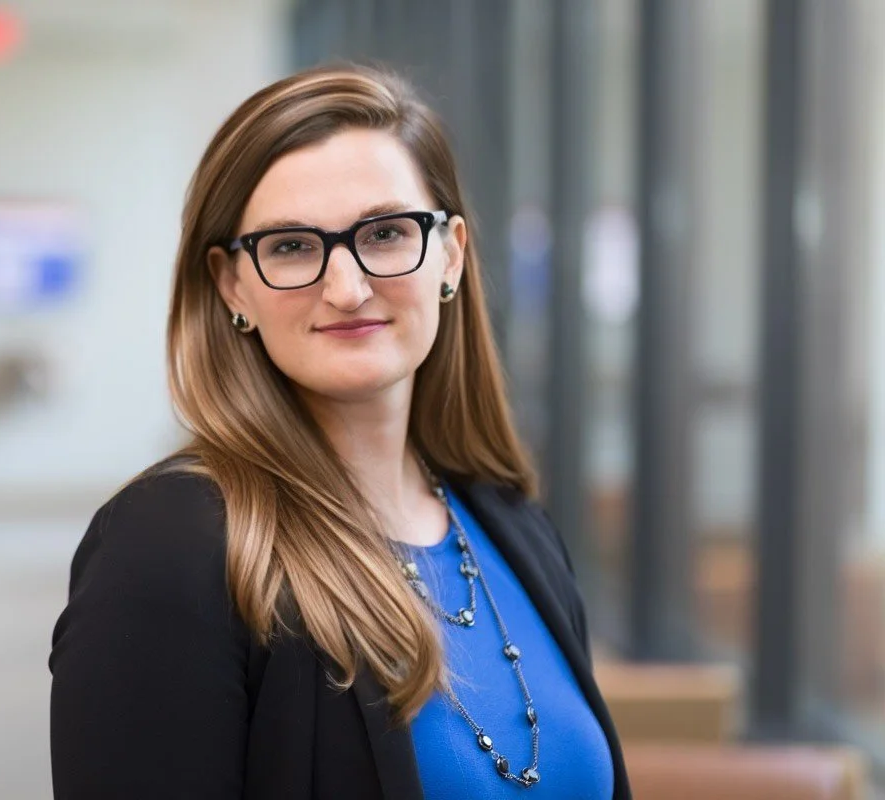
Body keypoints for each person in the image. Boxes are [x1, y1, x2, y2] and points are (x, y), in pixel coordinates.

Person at [49, 63, 630, 799]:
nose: (348, 287)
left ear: (449, 254)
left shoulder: (511, 522)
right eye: (292, 246)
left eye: (386, 233)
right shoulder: (172, 547)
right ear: (234, 285)